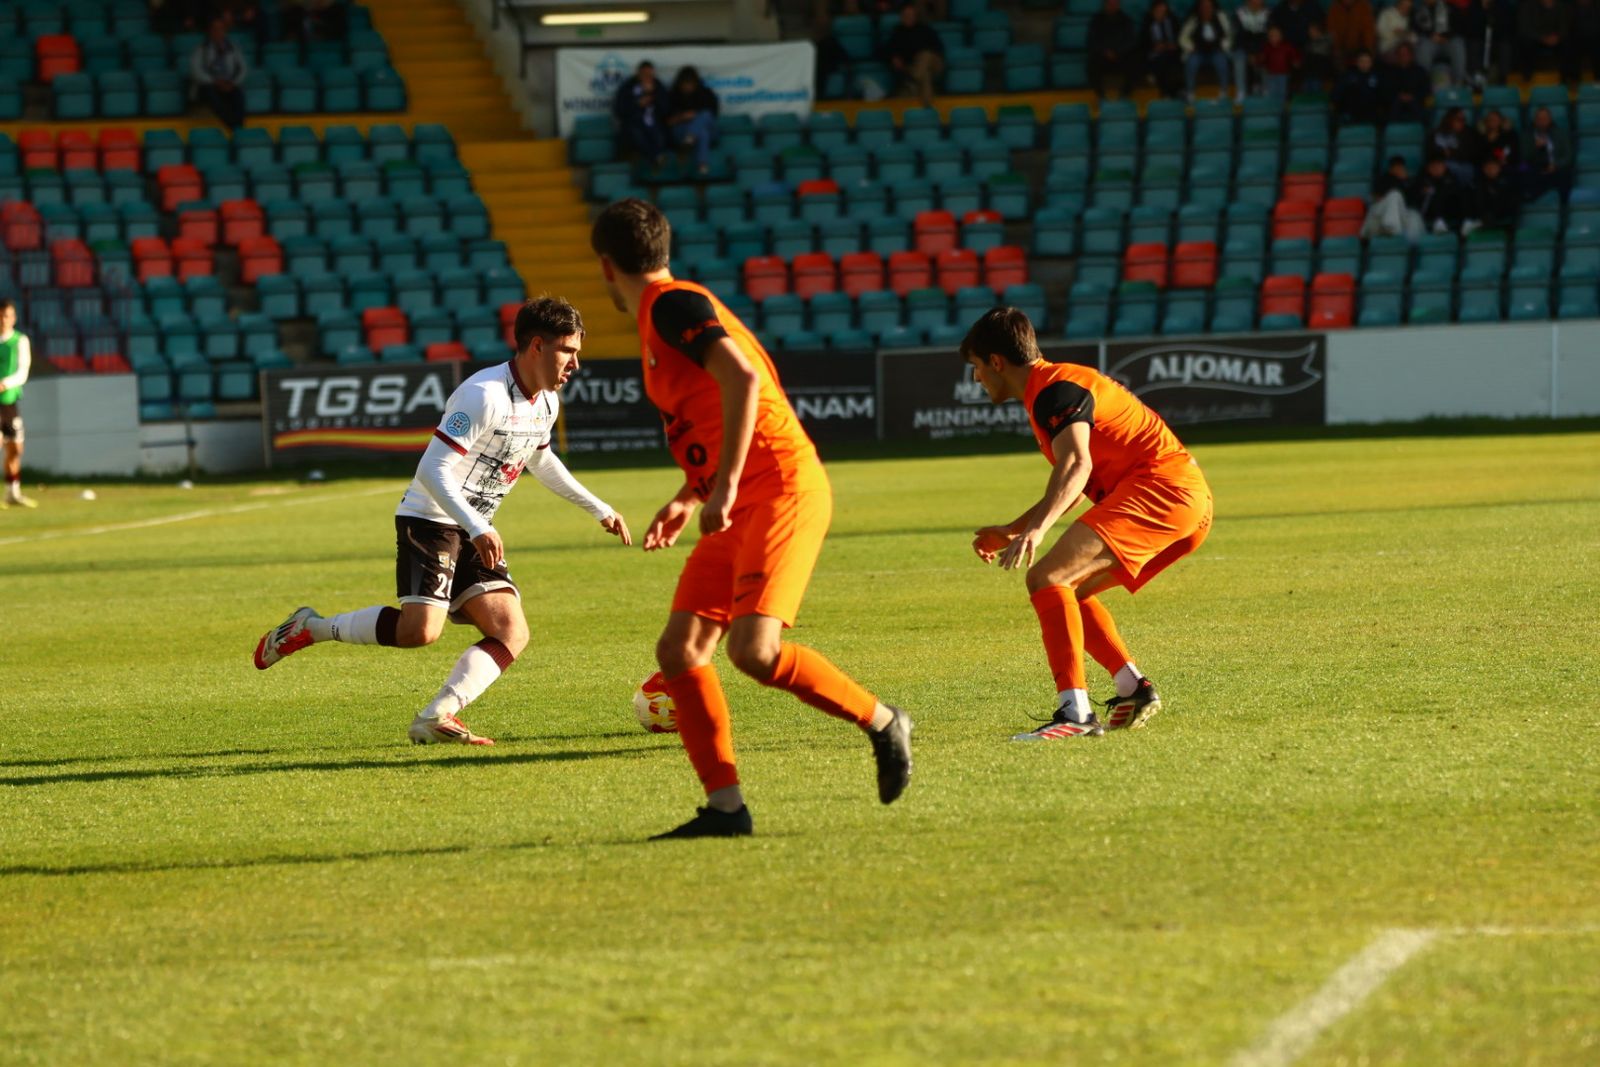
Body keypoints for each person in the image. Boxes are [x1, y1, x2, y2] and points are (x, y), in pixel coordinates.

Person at [589, 197, 914, 840]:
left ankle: (883, 721)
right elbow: (712, 412)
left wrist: (726, 486)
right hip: (737, 500)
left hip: (779, 490)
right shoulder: (666, 312)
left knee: (753, 652)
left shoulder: (671, 305)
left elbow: (742, 378)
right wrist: (692, 493)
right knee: (680, 651)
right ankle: (726, 810)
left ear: (605, 266)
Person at [253, 298, 632, 745]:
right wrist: (477, 526)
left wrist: (599, 508)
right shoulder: (483, 395)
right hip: (430, 517)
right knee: (420, 633)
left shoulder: (545, 402)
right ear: (536, 346)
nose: (575, 363)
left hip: (474, 526)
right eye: (568, 351)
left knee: (512, 630)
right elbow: (432, 470)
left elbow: (542, 460)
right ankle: (311, 627)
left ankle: (437, 716)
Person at [960, 308, 1212, 741]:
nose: (978, 378)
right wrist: (1017, 527)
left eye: (977, 368)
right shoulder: (1053, 386)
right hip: (1185, 504)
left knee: (1048, 577)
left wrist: (1037, 532)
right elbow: (1082, 482)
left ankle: (1074, 713)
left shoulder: (1055, 391)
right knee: (1067, 590)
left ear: (997, 362)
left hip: (1164, 491)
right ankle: (1132, 687)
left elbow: (1077, 464)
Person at [0, 299, 35, 509]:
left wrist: (4, 384)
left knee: (16, 449)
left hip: (10, 401)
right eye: (1, 316)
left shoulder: (20, 341)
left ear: (14, 318)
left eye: (7, 316)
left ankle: (13, 493)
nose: (3, 320)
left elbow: (23, 372)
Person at [189, 16, 248, 130]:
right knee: (210, 93)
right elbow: (195, 71)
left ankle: (239, 127)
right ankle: (233, 126)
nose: (218, 32)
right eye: (215, 29)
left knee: (238, 94)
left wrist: (234, 83)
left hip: (228, 84)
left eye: (221, 29)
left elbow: (243, 69)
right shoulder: (201, 49)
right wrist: (215, 82)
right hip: (210, 85)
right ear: (210, 32)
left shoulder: (233, 48)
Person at [884, 3, 945, 107]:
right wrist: (893, 57)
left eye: (910, 15)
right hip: (913, 67)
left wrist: (922, 55)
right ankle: (927, 107)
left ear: (915, 16)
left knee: (925, 56)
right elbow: (886, 50)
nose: (908, 18)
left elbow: (939, 48)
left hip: (934, 63)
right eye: (905, 15)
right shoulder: (897, 32)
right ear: (901, 17)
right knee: (925, 75)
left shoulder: (925, 29)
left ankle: (912, 81)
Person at [665, 66, 719, 176]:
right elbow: (667, 122)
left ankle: (689, 139)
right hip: (681, 131)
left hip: (708, 131)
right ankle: (702, 165)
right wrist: (683, 117)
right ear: (680, 83)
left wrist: (695, 116)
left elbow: (713, 116)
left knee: (705, 115)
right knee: (702, 133)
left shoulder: (706, 94)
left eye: (690, 84)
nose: (688, 87)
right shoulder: (672, 96)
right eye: (685, 84)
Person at [612, 61, 668, 167]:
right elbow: (619, 110)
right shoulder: (627, 87)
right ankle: (655, 157)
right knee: (637, 135)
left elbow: (666, 109)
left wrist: (654, 96)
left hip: (654, 122)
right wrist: (637, 104)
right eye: (644, 74)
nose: (647, 77)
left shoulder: (658, 87)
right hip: (634, 123)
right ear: (638, 74)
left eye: (650, 75)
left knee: (659, 135)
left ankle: (656, 159)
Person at [1361, 155, 1425, 240]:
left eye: (1400, 167)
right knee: (1395, 195)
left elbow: (1411, 201)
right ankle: (1391, 226)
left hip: (1400, 213)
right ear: (1391, 168)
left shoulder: (1408, 181)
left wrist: (1405, 180)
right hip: (1380, 210)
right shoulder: (1384, 178)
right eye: (1395, 167)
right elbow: (1375, 197)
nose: (1398, 169)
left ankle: (1414, 245)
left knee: (1414, 216)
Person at [1180, 0, 1234, 99]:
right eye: (1204, 6)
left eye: (1209, 6)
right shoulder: (1193, 19)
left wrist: (1223, 46)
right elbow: (1183, 38)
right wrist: (1190, 47)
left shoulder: (1220, 17)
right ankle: (1190, 92)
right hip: (1197, 52)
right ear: (1200, 7)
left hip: (1216, 50)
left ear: (1213, 7)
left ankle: (1223, 92)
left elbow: (1229, 35)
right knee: (1191, 63)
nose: (1206, 9)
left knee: (1222, 63)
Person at [1519, 105, 1573, 201]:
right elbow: (1523, 156)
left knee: (1565, 174)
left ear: (1550, 119)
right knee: (1523, 170)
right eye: (1539, 119)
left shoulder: (1560, 134)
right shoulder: (1527, 136)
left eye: (1545, 118)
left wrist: (1555, 165)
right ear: (1535, 120)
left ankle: (1563, 206)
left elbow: (1568, 156)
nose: (1542, 122)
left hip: (1556, 168)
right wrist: (1535, 148)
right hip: (1536, 169)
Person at [1087, 0, 1139, 98]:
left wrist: (1118, 52)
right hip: (1102, 56)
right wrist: (1105, 52)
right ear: (1105, 5)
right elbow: (1092, 40)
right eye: (1110, 4)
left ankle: (1126, 93)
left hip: (1121, 56)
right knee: (1092, 61)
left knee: (1135, 60)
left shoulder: (1126, 20)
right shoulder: (1096, 20)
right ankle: (1100, 94)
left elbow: (1130, 40)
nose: (1112, 6)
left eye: (1115, 4)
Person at [1412, 0, 1467, 84]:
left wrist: (1447, 37)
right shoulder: (1420, 10)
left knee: (1458, 44)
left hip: (1448, 41)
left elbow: (1460, 26)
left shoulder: (1450, 7)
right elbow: (1416, 27)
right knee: (1423, 46)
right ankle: (1423, 83)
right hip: (1431, 40)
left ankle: (1458, 82)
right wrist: (1430, 35)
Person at [1412, 152, 1468, 233]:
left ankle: (1467, 221)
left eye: (1439, 165)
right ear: (1429, 167)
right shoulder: (1422, 178)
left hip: (1448, 209)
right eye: (1434, 166)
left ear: (1444, 166)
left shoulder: (1450, 177)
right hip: (1428, 212)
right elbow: (1415, 197)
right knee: (1434, 192)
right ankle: (1439, 220)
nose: (1437, 168)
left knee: (1463, 193)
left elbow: (1456, 192)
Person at [1140, 0, 1184, 97]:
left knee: (1173, 60)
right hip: (1154, 54)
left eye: (1163, 12)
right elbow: (1143, 43)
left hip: (1172, 52)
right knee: (1163, 62)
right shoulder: (1148, 23)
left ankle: (1175, 91)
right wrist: (1154, 47)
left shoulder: (1172, 20)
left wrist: (1174, 45)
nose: (1161, 14)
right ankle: (1169, 91)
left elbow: (1180, 37)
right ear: (1153, 11)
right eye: (1158, 11)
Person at [1464, 156, 1519, 234]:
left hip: (1502, 215)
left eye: (1493, 167)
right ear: (1483, 169)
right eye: (1488, 167)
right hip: (1481, 215)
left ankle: (1480, 222)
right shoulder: (1477, 183)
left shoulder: (1507, 182)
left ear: (1499, 168)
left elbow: (1511, 204)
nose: (1490, 170)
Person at [1380, 42, 1431, 124]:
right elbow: (1384, 91)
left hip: (1416, 103)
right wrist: (1399, 96)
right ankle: (1392, 131)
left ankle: (1421, 131)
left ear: (1411, 55)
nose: (1403, 57)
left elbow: (1426, 90)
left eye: (1406, 54)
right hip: (1394, 104)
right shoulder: (1389, 72)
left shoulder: (1420, 71)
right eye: (1401, 54)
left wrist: (1412, 96)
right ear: (1396, 56)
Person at [1516, 0, 1567, 80]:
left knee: (1568, 42)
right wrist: (1542, 38)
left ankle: (1566, 78)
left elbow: (1564, 26)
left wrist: (1558, 37)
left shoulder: (1561, 6)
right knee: (1525, 42)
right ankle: (1527, 77)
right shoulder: (1528, 5)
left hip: (1555, 39)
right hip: (1536, 39)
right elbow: (1524, 28)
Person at [1431, 107, 1481, 185]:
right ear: (1449, 119)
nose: (1461, 122)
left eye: (1463, 119)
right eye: (1458, 119)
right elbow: (1432, 151)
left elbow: (1471, 153)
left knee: (1466, 169)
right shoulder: (1438, 132)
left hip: (1464, 163)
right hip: (1441, 162)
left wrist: (1451, 152)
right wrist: (1443, 153)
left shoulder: (1469, 133)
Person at [1233, 0, 1273, 95]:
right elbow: (1239, 37)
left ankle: (1266, 90)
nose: (1255, 1)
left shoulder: (1269, 14)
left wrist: (1259, 52)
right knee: (1239, 58)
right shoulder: (1239, 14)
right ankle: (1241, 92)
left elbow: (1269, 37)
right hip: (1244, 48)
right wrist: (1250, 52)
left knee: (1269, 55)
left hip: (1262, 48)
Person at [1334, 50, 1384, 125]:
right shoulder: (1349, 76)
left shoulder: (1376, 77)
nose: (1364, 64)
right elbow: (1338, 93)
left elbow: (1381, 96)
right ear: (1357, 62)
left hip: (1370, 114)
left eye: (1367, 61)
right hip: (1352, 114)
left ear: (1371, 63)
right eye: (1361, 61)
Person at [1326, 0, 1377, 70]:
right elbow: (1331, 31)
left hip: (1360, 48)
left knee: (1365, 60)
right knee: (1336, 60)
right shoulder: (1334, 7)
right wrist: (1336, 48)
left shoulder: (1364, 6)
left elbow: (1369, 31)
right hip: (1341, 49)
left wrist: (1366, 50)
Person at [1258, 24, 1301, 99]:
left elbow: (1294, 55)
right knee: (1272, 92)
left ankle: (1281, 108)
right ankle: (1273, 107)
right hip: (1271, 74)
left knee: (1282, 92)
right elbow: (1262, 60)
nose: (1273, 38)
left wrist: (1296, 61)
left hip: (1283, 74)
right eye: (1271, 35)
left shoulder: (1287, 46)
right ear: (1268, 37)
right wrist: (1259, 60)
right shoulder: (1267, 47)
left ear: (1281, 36)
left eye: (1276, 35)